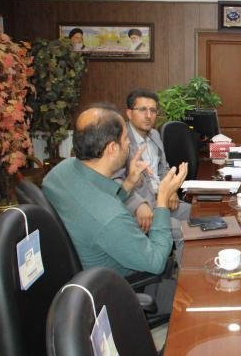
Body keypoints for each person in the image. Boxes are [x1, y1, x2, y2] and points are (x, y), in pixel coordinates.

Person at [42, 105, 188, 276]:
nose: (129, 143)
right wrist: (162, 200)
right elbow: (156, 262)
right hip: (116, 282)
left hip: (83, 261)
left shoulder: (60, 171)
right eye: (126, 138)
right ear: (112, 148)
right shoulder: (111, 217)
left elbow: (99, 201)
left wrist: (129, 183)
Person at [113, 89, 189, 259]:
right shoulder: (120, 141)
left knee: (195, 213)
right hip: (141, 207)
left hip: (160, 199)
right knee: (181, 230)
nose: (148, 116)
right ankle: (183, 274)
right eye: (142, 110)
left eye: (153, 110)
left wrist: (171, 190)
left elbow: (163, 168)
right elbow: (114, 182)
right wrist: (138, 204)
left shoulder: (154, 134)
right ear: (129, 113)